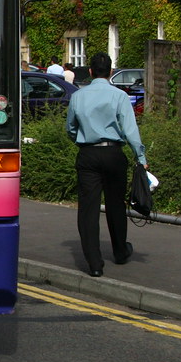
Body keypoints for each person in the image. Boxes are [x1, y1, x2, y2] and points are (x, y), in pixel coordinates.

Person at [65, 52, 148, 277]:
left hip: (88, 154)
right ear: (111, 72)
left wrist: (81, 141)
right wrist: (141, 158)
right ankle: (120, 251)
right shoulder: (119, 96)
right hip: (113, 153)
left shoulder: (78, 96)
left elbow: (70, 129)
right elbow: (131, 131)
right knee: (116, 205)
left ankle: (94, 263)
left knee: (88, 209)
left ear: (90, 72)